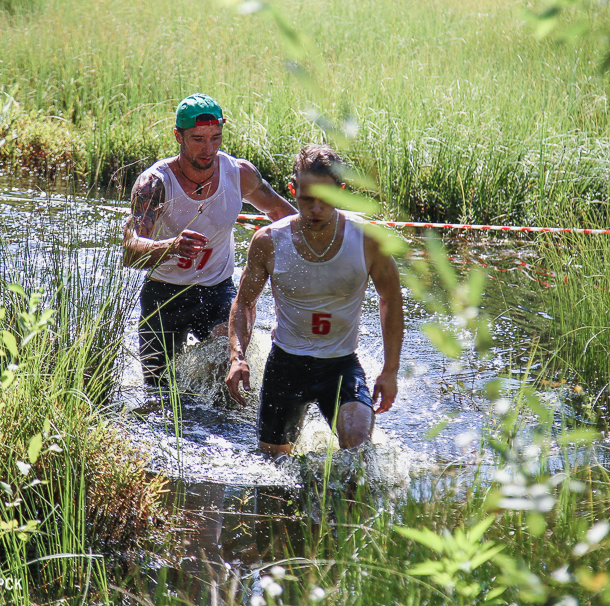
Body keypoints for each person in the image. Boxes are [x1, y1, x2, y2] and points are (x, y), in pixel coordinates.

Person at [226, 144, 404, 455]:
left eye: (326, 201)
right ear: (292, 191)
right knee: (272, 468)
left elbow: (390, 299)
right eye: (306, 200)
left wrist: (390, 371)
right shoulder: (269, 241)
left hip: (340, 366)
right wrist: (237, 357)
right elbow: (244, 303)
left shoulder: (370, 241)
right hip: (285, 365)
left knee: (357, 446)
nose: (316, 210)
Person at [122, 94, 296, 390]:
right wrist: (171, 247)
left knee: (224, 373)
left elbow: (282, 214)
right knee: (160, 391)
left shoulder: (239, 173)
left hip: (218, 292)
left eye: (216, 138)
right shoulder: (154, 184)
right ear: (178, 136)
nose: (208, 149)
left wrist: (333, 236)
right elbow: (130, 252)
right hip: (164, 295)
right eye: (198, 139)